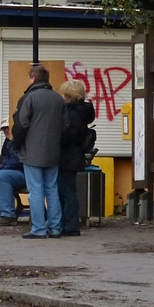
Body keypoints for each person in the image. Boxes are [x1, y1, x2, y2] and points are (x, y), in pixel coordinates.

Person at [12, 64, 66, 239]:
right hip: (53, 151)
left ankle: (38, 228)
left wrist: (18, 144)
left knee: (35, 191)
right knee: (52, 189)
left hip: (32, 151)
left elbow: (22, 125)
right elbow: (65, 125)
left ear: (33, 79)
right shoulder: (58, 99)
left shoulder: (29, 98)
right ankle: (56, 228)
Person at [57, 80, 96, 237]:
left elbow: (68, 136)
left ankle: (70, 226)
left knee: (66, 192)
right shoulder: (82, 112)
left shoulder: (72, 114)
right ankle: (69, 224)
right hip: (74, 156)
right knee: (68, 191)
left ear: (69, 95)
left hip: (67, 157)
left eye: (64, 94)